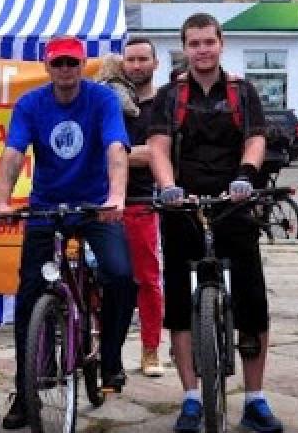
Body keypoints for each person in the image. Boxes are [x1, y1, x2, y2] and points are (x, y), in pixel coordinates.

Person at [146, 15, 283, 433]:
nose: (202, 50)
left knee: (251, 299)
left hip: (233, 203)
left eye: (209, 42)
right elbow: (158, 146)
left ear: (221, 44)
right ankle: (191, 398)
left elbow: (255, 138)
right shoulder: (170, 95)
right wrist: (168, 186)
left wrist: (246, 175)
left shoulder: (243, 91)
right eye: (194, 43)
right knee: (179, 304)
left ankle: (255, 399)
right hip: (182, 205)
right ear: (184, 48)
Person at [0, 35, 133, 430]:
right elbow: (13, 154)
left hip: (95, 206)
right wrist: (2, 201)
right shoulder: (31, 103)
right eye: (59, 63)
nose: (66, 70)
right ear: (47, 66)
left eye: (72, 63)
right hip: (47, 206)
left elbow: (116, 148)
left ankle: (110, 358)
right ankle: (26, 392)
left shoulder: (102, 99)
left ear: (83, 65)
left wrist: (116, 197)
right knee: (28, 296)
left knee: (121, 275)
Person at [115, 37, 167, 378]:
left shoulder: (163, 104)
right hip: (109, 203)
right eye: (130, 60)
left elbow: (159, 154)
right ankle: (105, 350)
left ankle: (151, 350)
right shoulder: (112, 103)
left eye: (142, 59)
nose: (136, 66)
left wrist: (118, 154)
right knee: (106, 282)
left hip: (143, 203)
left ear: (155, 63)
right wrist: (139, 154)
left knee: (148, 280)